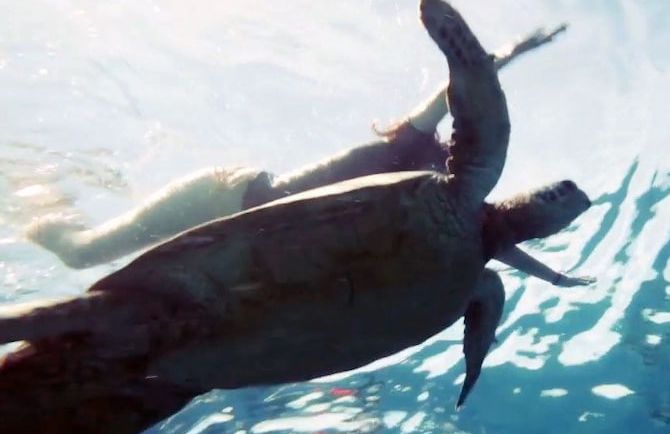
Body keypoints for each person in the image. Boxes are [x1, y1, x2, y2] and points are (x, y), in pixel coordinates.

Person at [26, 24, 593, 287]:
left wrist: (554, 277)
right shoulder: (414, 143)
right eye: (456, 136)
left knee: (122, 282)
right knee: (85, 255)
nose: (455, 142)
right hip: (229, 198)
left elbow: (490, 240)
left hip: (244, 250)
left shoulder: (450, 214)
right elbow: (455, 92)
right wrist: (506, 54)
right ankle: (33, 201)